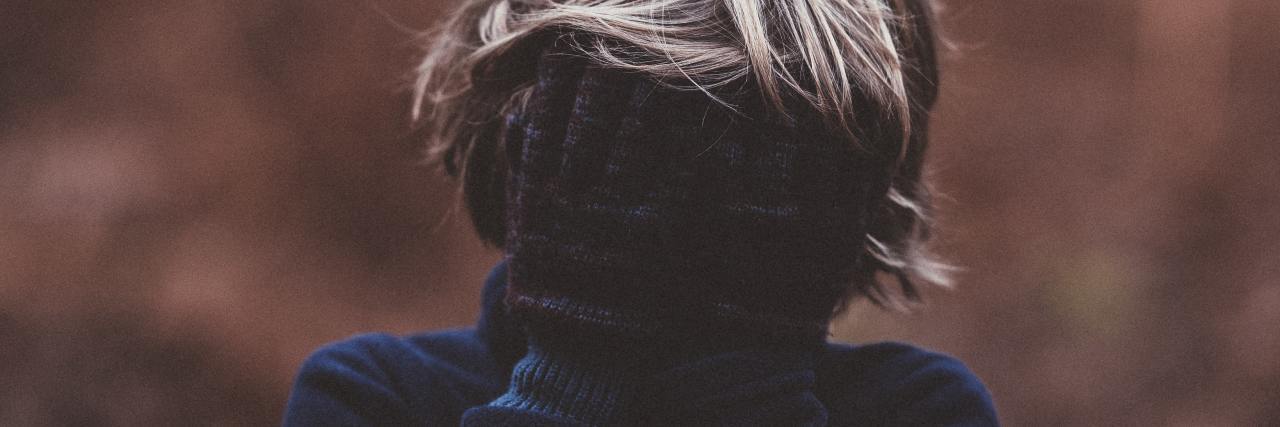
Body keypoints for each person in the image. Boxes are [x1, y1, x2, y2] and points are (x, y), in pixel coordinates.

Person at [282, 0, 998, 425]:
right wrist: (568, 376)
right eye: (625, 134)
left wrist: (751, 382)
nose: (679, 194)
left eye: (745, 149)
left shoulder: (920, 411)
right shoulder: (373, 400)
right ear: (526, 147)